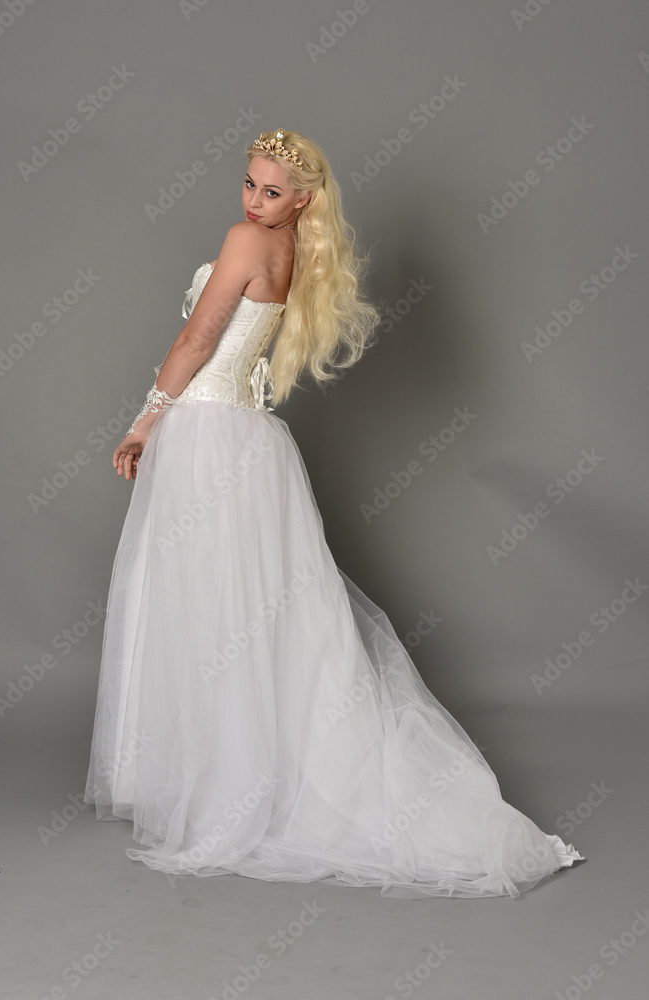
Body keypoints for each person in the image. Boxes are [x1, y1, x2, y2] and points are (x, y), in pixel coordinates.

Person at [84, 128, 584, 898]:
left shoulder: (247, 242)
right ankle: (244, 780)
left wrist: (146, 418)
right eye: (247, 185)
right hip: (248, 444)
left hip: (207, 435)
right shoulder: (294, 255)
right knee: (254, 618)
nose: (253, 201)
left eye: (270, 191)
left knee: (212, 611)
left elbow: (196, 338)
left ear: (303, 199)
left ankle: (224, 793)